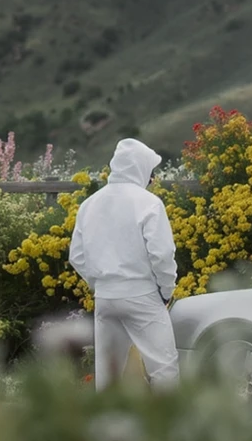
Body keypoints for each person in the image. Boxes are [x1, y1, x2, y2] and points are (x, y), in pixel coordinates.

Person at [69, 138, 180, 392]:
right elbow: (162, 254)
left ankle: (106, 428)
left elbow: (76, 255)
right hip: (142, 295)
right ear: (140, 169)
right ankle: (169, 426)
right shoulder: (149, 203)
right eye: (151, 174)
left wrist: (100, 283)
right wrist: (166, 290)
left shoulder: (89, 205)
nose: (152, 180)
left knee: (108, 374)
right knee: (164, 368)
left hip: (105, 298)